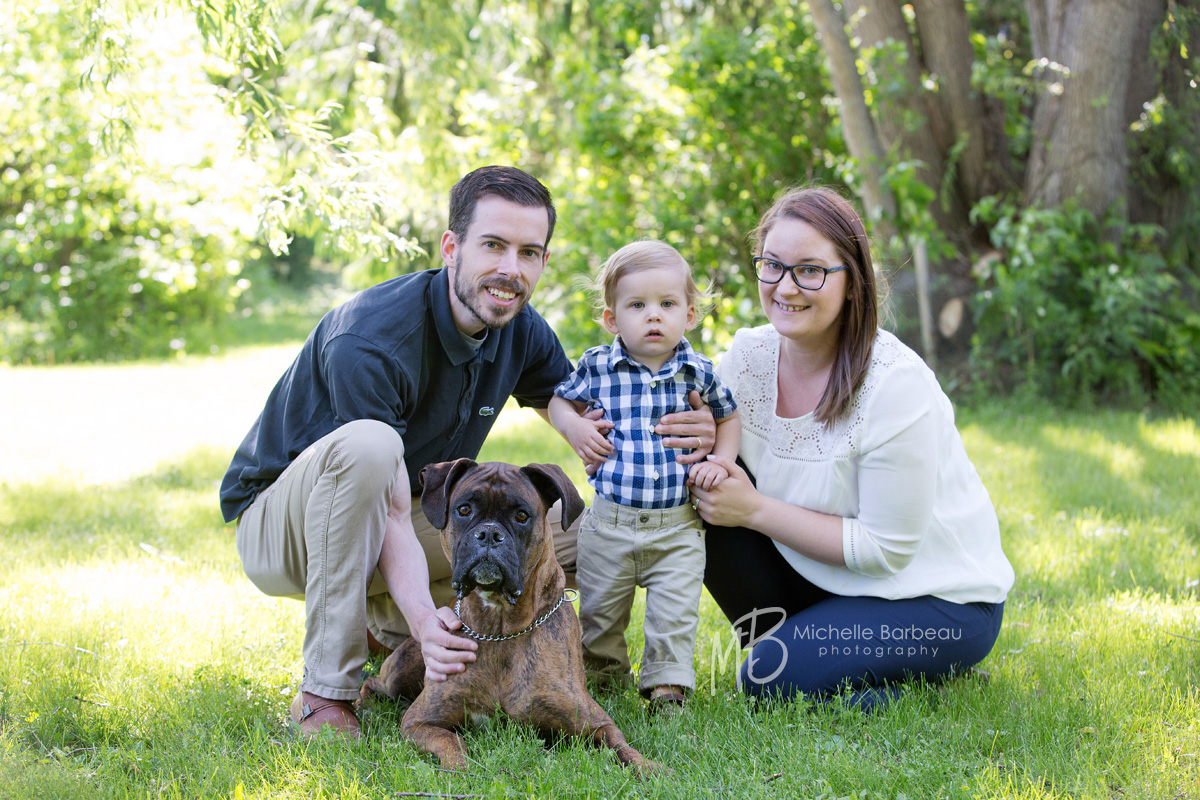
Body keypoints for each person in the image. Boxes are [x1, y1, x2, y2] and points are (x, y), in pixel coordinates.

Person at [219, 167, 716, 739]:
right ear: (452, 247)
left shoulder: (518, 326)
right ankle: (326, 691)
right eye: (493, 245)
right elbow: (391, 510)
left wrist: (691, 421)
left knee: (587, 528)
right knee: (371, 444)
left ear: (544, 262)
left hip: (403, 512)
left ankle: (446, 647)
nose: (511, 268)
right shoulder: (373, 340)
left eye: (529, 252)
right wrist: (426, 622)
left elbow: (580, 401)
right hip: (288, 531)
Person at [691, 187, 1014, 711]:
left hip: (936, 601)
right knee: (694, 486)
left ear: (852, 281)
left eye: (811, 271)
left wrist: (753, 510)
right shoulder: (747, 357)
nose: (786, 287)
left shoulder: (893, 384)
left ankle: (911, 674)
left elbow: (886, 550)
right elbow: (705, 442)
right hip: (826, 585)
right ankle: (806, 652)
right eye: (772, 265)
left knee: (767, 682)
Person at [549, 240, 740, 714]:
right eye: (637, 305)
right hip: (609, 524)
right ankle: (602, 679)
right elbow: (559, 402)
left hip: (677, 527)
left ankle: (666, 688)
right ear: (613, 319)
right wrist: (574, 426)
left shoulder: (698, 372)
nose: (653, 316)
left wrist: (723, 459)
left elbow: (728, 416)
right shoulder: (597, 365)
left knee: (674, 615)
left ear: (690, 315)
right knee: (599, 614)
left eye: (667, 304)